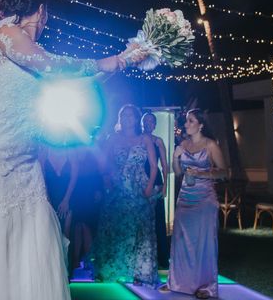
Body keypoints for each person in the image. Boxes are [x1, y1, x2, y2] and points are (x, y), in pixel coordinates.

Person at [0, 0, 138, 300]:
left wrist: (123, 61)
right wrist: (105, 60)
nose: (46, 23)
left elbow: (78, 81)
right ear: (40, 11)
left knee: (35, 230)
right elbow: (50, 64)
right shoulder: (6, 32)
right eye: (46, 17)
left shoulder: (34, 54)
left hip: (24, 161)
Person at [161, 108, 227, 299]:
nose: (186, 124)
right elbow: (178, 172)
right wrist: (175, 156)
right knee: (181, 241)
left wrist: (203, 174)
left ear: (201, 125)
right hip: (185, 198)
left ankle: (206, 286)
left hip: (205, 198)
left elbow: (224, 172)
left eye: (190, 121)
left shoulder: (211, 145)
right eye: (186, 121)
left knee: (204, 242)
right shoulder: (183, 144)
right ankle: (177, 282)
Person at [93, 104, 159, 287]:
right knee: (116, 228)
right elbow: (102, 162)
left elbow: (154, 166)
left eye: (130, 115)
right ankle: (112, 269)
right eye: (124, 115)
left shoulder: (145, 139)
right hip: (118, 190)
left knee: (140, 230)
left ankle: (140, 272)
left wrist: (149, 187)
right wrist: (106, 177)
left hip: (139, 188)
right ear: (120, 119)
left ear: (136, 118)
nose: (127, 118)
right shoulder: (113, 139)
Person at [142, 112, 170, 269]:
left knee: (157, 219)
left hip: (156, 182)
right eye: (145, 121)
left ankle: (161, 258)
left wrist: (165, 186)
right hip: (139, 181)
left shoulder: (158, 141)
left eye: (151, 121)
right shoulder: (137, 140)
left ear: (154, 125)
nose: (147, 123)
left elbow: (165, 165)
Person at [69, 146, 102, 273]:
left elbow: (97, 172)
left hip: (89, 193)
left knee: (86, 226)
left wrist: (98, 190)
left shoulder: (91, 153)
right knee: (77, 226)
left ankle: (88, 258)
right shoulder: (72, 152)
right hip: (76, 193)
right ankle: (76, 258)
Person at [40, 146, 77, 237]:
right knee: (51, 233)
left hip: (67, 197)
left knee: (66, 233)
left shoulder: (70, 150)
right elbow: (42, 180)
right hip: (50, 198)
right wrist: (48, 201)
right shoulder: (45, 151)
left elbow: (74, 178)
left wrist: (66, 200)